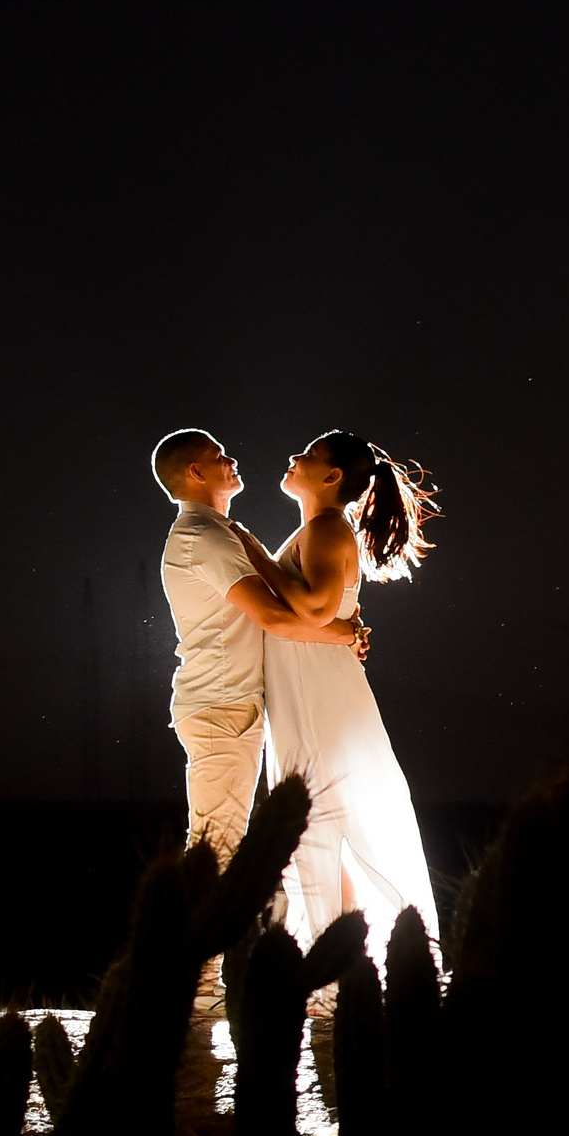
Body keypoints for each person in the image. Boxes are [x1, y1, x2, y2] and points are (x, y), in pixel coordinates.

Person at [152, 428, 367, 1009]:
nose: (231, 460)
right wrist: (343, 634)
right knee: (215, 844)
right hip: (222, 707)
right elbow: (273, 616)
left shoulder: (219, 533)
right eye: (218, 456)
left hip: (229, 704)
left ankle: (199, 982)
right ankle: (196, 988)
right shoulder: (204, 536)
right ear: (196, 473)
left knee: (220, 840)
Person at [243, 430, 440, 966]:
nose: (293, 457)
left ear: (331, 477)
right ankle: (342, 962)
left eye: (306, 454)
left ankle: (337, 971)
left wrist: (254, 556)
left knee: (320, 818)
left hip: (317, 689)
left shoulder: (328, 527)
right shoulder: (320, 527)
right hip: (310, 682)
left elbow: (316, 609)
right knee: (321, 823)